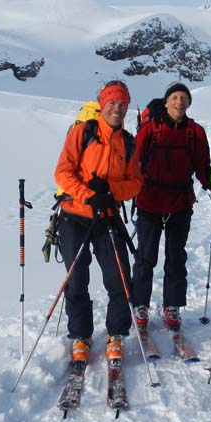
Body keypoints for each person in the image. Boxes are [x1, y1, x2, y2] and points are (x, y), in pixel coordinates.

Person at [53, 80, 143, 363]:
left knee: (118, 278)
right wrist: (90, 194)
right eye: (112, 103)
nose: (117, 109)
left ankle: (116, 333)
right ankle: (80, 335)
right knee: (76, 278)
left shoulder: (128, 142)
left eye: (122, 104)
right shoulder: (83, 132)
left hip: (107, 219)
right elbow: (63, 173)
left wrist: (111, 192)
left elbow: (136, 183)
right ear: (102, 105)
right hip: (74, 215)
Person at [131, 82, 211, 332]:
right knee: (146, 257)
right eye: (175, 97)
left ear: (188, 103)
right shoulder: (149, 130)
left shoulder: (194, 132)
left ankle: (172, 305)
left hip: (179, 203)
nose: (179, 102)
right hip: (149, 201)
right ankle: (140, 304)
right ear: (166, 102)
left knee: (176, 257)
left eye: (183, 98)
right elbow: (134, 162)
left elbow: (202, 165)